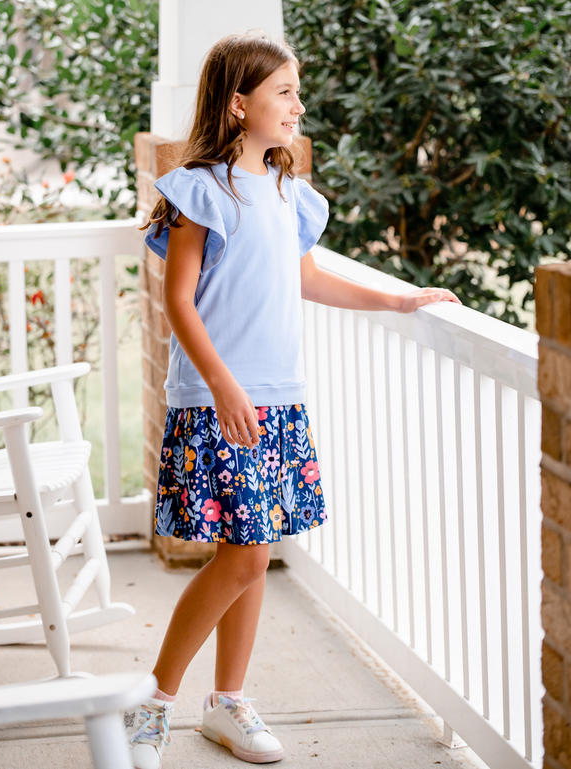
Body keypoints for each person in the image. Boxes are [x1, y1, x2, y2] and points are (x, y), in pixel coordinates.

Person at [127, 30, 461, 769]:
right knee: (244, 559)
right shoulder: (199, 190)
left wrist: (399, 301)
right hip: (221, 400)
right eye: (285, 91)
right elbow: (179, 303)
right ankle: (151, 702)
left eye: (297, 91)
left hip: (278, 402)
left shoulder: (287, 192)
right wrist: (222, 384)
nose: (298, 105)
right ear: (239, 102)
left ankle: (226, 702)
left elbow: (311, 280)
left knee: (250, 550)